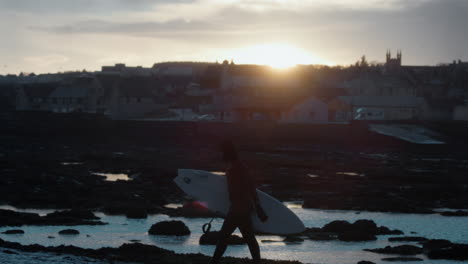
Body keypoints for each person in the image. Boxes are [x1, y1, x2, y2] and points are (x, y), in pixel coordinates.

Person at [209, 140, 267, 264]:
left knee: (224, 238)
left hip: (239, 208)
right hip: (239, 207)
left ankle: (214, 262)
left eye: (222, 152)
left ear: (227, 152)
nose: (220, 154)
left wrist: (257, 205)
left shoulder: (238, 167)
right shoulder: (233, 166)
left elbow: (250, 186)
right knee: (248, 239)